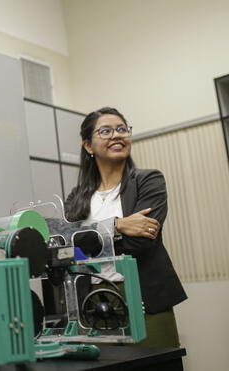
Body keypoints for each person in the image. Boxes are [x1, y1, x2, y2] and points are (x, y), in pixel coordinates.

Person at [64, 107, 187, 347]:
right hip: (93, 297)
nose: (116, 135)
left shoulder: (148, 180)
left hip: (144, 296)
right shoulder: (77, 196)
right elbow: (68, 247)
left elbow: (142, 241)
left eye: (122, 129)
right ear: (88, 146)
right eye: (106, 131)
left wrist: (88, 241)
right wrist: (118, 225)